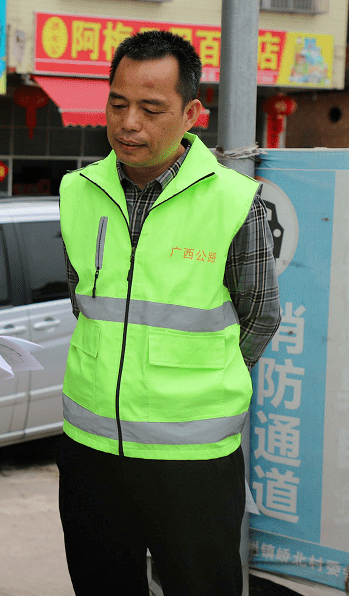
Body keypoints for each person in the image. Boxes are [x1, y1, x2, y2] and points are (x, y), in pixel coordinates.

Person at [57, 30, 282, 596]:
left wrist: (200, 382)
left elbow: (260, 318)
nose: (129, 122)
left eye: (151, 108)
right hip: (91, 452)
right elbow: (83, 301)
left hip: (194, 460)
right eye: (118, 103)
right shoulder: (76, 191)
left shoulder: (235, 201)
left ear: (191, 114)